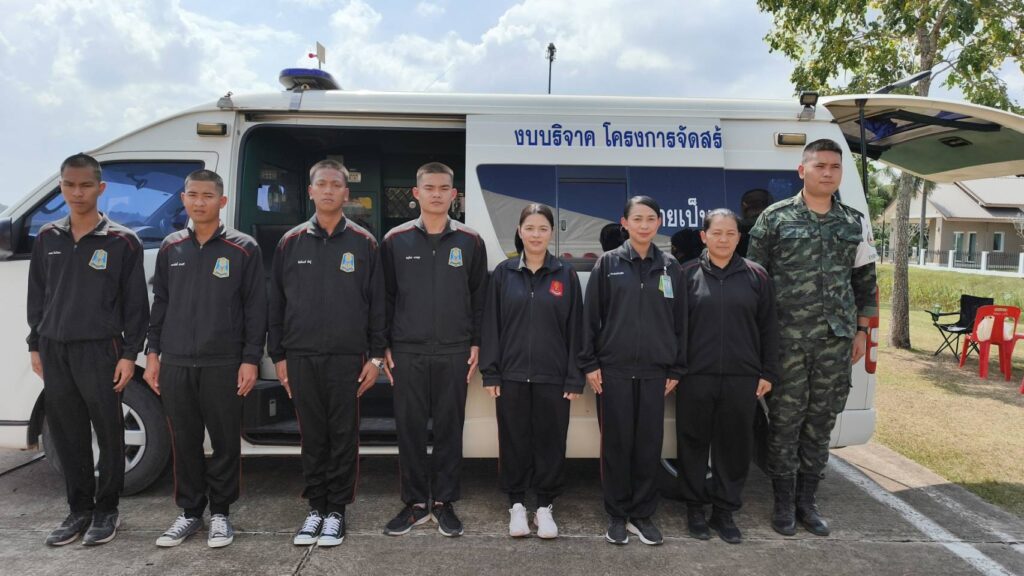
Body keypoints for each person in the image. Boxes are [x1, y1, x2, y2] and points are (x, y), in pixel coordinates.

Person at [747, 139, 877, 537]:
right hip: (786, 342)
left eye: (834, 167)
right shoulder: (774, 218)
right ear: (802, 170)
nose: (827, 173)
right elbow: (754, 282)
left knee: (820, 423)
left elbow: (865, 282)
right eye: (820, 165)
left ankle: (807, 502)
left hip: (835, 342)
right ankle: (783, 503)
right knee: (785, 423)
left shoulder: (854, 222)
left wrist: (862, 332)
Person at [27, 153, 149, 546]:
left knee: (109, 432)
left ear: (101, 188)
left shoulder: (122, 241)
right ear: (60, 187)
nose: (77, 192)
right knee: (68, 433)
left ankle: (107, 510)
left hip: (101, 350)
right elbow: (38, 296)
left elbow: (136, 306)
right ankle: (78, 510)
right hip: (55, 349)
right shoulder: (48, 237)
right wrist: (35, 344)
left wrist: (129, 354)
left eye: (85, 185)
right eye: (69, 185)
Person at [144, 169, 266, 548]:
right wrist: (152, 353)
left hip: (223, 362)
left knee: (226, 442)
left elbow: (255, 309)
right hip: (176, 361)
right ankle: (190, 513)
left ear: (222, 201)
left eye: (208, 196)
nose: (199, 202)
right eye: (193, 195)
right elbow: (161, 303)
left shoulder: (243, 248)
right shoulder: (170, 247)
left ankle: (222, 515)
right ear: (183, 199)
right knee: (185, 441)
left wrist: (250, 359)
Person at [267, 159, 386, 547]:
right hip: (301, 356)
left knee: (343, 435)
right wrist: (278, 356)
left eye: (336, 184)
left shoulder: (364, 242)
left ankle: (336, 511)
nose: (330, 190)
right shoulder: (290, 242)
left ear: (346, 193)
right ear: (311, 190)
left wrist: (375, 358)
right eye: (323, 184)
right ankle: (315, 507)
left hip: (347, 358)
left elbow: (378, 305)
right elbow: (276, 304)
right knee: (313, 436)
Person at [381, 162, 488, 538]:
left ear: (454, 194)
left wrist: (476, 342)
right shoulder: (394, 240)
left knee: (448, 429)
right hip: (407, 351)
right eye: (429, 188)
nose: (437, 194)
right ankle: (414, 503)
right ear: (416, 193)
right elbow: (384, 297)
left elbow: (479, 298)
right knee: (409, 429)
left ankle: (443, 502)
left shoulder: (471, 241)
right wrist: (383, 346)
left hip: (454, 350)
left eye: (444, 188)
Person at [580, 195, 687, 546]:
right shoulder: (608, 263)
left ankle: (642, 514)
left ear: (659, 223)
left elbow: (681, 322)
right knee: (617, 444)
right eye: (637, 219)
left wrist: (676, 367)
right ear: (624, 223)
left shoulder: (670, 267)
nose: (644, 225)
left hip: (656, 372)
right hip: (614, 370)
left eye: (650, 219)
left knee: (648, 445)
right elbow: (590, 317)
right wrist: (590, 363)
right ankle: (617, 514)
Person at [479, 203, 584, 539]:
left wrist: (574, 376)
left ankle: (544, 507)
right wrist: (491, 372)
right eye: (530, 228)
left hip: (554, 377)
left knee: (551, 442)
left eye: (543, 229)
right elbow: (491, 326)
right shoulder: (503, 273)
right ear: (520, 232)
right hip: (511, 376)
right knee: (514, 441)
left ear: (551, 233)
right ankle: (516, 506)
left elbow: (576, 328)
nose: (536, 235)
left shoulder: (565, 274)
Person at [677, 208, 778, 544]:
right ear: (703, 236)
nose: (723, 239)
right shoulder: (685, 274)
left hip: (742, 377)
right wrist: (676, 369)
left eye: (730, 233)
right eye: (716, 233)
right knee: (692, 443)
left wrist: (767, 371)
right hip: (695, 376)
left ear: (739, 237)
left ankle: (724, 511)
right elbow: (674, 328)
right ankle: (695, 509)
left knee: (734, 446)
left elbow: (769, 328)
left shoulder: (757, 276)